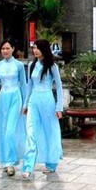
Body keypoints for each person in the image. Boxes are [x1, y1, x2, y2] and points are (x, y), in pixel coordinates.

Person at [21, 39, 64, 179]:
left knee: (50, 131)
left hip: (47, 101)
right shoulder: (31, 65)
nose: (35, 51)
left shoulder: (52, 66)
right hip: (34, 101)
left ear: (44, 49)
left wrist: (59, 107)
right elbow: (29, 86)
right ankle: (27, 167)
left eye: (38, 48)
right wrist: (25, 104)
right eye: (34, 48)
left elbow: (58, 86)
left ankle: (51, 163)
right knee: (31, 132)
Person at [0, 39, 27, 176]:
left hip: (15, 97)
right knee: (3, 131)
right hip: (3, 98)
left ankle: (11, 162)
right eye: (3, 49)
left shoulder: (19, 65)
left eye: (7, 48)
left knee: (10, 131)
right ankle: (6, 161)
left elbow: (24, 85)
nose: (5, 51)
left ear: (13, 49)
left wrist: (25, 104)